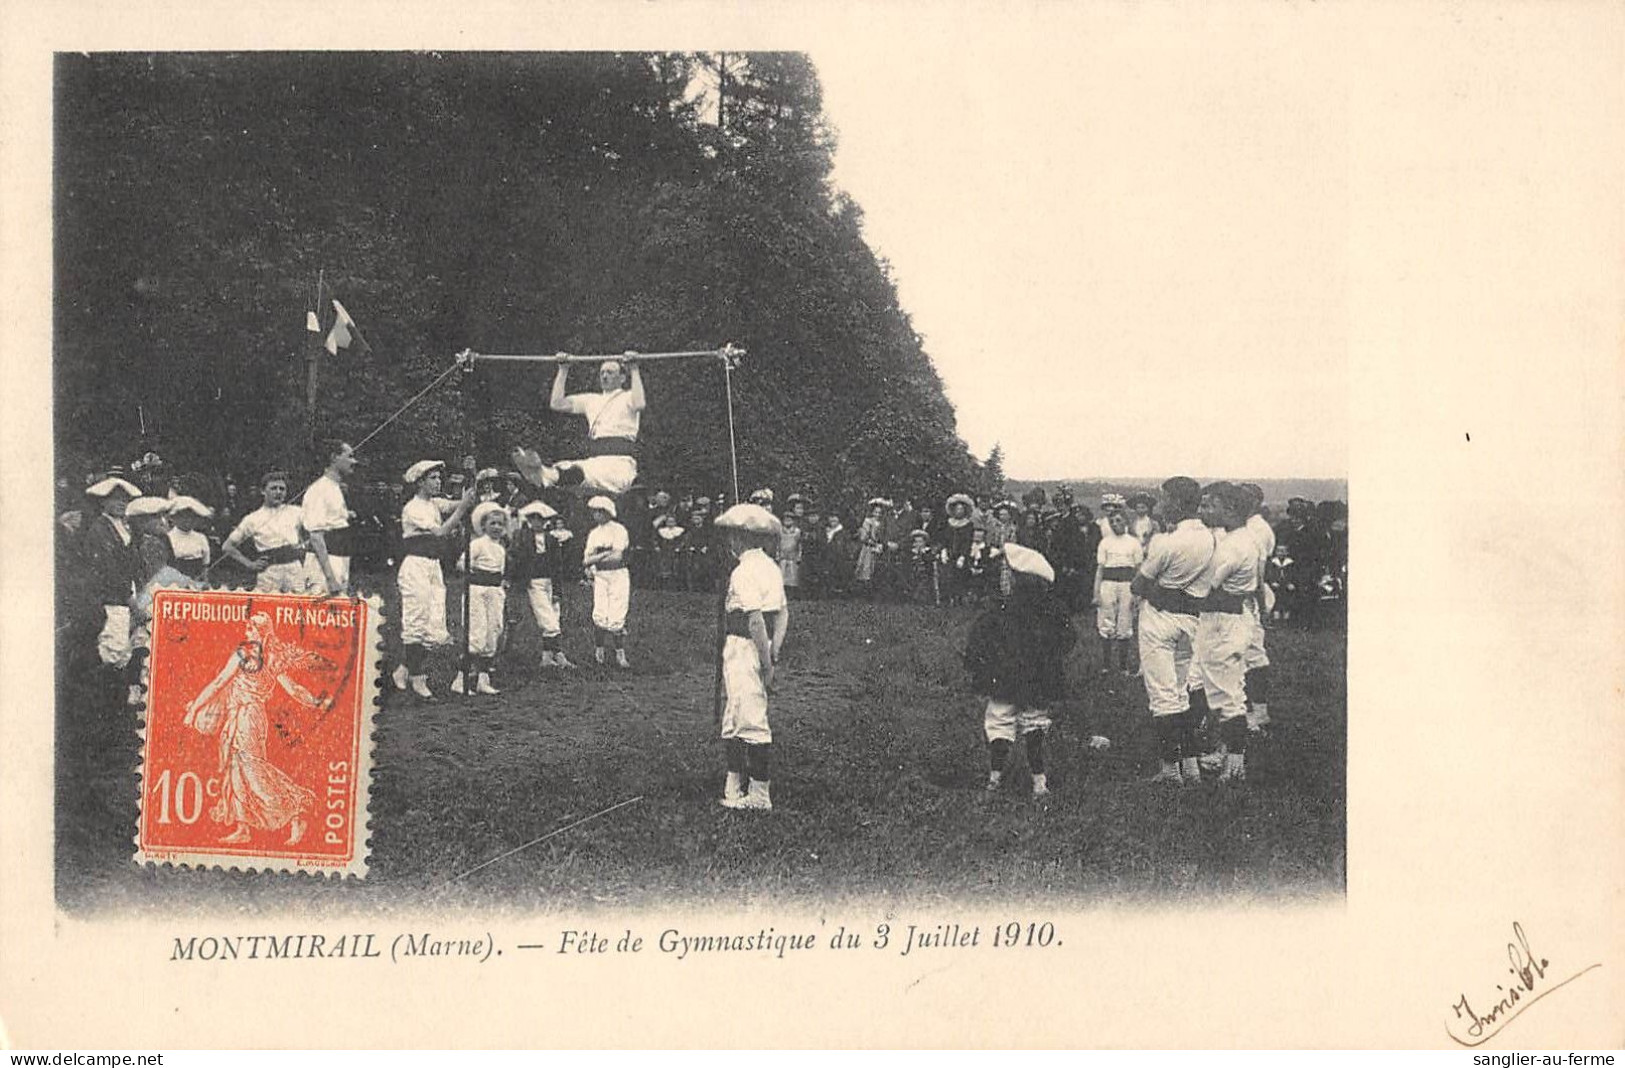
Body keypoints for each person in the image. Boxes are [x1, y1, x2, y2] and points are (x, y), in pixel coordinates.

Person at [184, 611, 330, 845]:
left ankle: (296, 809)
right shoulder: (272, 658)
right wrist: (315, 702)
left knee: (253, 772)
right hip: (245, 716)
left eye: (250, 629)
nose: (246, 632)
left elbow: (220, 681)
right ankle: (243, 828)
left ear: (259, 632)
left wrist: (194, 710)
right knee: (235, 771)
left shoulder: (246, 652)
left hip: (246, 717)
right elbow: (293, 689)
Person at [963, 543, 1079, 797]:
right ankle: (1038, 780)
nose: (1004, 577)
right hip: (1039, 678)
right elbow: (1067, 639)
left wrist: (980, 665)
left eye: (1009, 572)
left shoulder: (1000, 609)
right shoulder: (1052, 609)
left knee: (1000, 719)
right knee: (1033, 720)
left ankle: (996, 777)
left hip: (1004, 678)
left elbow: (977, 643)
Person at [1130, 476, 1216, 785]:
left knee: (1164, 697)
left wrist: (1160, 586)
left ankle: (1170, 771)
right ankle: (1190, 766)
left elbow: (1138, 584)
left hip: (1160, 619)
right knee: (1181, 693)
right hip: (1192, 621)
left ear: (1178, 504)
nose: (1161, 504)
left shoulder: (1168, 542)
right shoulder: (1211, 538)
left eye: (1164, 499)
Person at [714, 502, 790, 811]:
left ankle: (760, 793)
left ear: (739, 539)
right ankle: (734, 782)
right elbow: (783, 613)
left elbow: (756, 619)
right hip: (758, 645)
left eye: (732, 536)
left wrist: (768, 664)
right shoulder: (770, 567)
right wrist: (774, 649)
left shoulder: (744, 571)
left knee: (751, 717)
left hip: (745, 646)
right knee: (734, 713)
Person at [1186, 483, 1260, 782]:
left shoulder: (1234, 546)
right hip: (1220, 621)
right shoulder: (1234, 538)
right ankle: (1216, 750)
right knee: (1201, 684)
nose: (1201, 511)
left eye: (1208, 506)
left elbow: (1204, 589)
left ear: (1229, 510)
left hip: (1224, 623)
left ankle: (1234, 767)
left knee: (1228, 695)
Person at [392, 460, 476, 700]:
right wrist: (461, 511)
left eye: (439, 478)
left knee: (434, 622)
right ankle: (418, 679)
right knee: (416, 619)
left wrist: (470, 475)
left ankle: (404, 669)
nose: (439, 482)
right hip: (416, 566)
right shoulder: (413, 508)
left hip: (433, 568)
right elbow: (440, 532)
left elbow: (459, 503)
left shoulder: (434, 504)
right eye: (433, 479)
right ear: (420, 482)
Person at [512, 353, 646, 496]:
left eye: (610, 372)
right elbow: (557, 404)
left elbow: (640, 404)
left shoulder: (629, 397)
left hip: (619, 465)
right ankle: (542, 475)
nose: (605, 376)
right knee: (567, 468)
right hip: (596, 461)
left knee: (580, 473)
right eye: (602, 372)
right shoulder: (592, 400)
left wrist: (634, 369)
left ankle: (544, 476)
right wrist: (563, 370)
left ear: (622, 378)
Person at [81, 475, 143, 685]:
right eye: (115, 499)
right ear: (103, 501)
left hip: (126, 591)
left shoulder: (123, 527)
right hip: (110, 595)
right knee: (113, 649)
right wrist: (131, 601)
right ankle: (98, 695)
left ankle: (116, 697)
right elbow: (111, 570)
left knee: (126, 649)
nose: (120, 503)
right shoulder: (100, 530)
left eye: (124, 500)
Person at [509, 499, 576, 669]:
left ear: (546, 521)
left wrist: (558, 590)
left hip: (550, 581)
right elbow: (516, 560)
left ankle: (546, 657)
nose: (537, 522)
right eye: (533, 519)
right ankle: (559, 654)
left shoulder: (552, 540)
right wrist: (512, 579)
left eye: (540, 519)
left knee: (555, 614)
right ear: (529, 521)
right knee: (548, 620)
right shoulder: (523, 538)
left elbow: (557, 566)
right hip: (534, 581)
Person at [452, 502, 509, 696]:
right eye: (493, 523)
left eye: (500, 524)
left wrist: (500, 583)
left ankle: (483, 680)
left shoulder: (500, 549)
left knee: (493, 633)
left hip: (494, 591)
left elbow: (500, 571)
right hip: (477, 591)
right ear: (483, 526)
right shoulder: (477, 544)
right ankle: (460, 680)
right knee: (476, 634)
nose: (497, 527)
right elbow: (461, 564)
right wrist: (474, 574)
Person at [221, 471, 306, 594]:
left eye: (282, 489)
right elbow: (227, 547)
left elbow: (314, 530)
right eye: (273, 488)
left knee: (297, 607)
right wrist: (250, 564)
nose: (278, 492)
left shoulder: (296, 512)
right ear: (263, 491)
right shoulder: (252, 519)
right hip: (269, 572)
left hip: (294, 569)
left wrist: (303, 546)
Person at [302, 441, 358, 596]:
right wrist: (331, 578)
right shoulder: (319, 490)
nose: (354, 462)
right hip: (323, 566)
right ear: (334, 458)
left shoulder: (335, 488)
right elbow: (316, 536)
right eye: (350, 456)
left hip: (340, 559)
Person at [582, 495, 632, 668]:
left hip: (618, 574)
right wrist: (603, 555)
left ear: (608, 512)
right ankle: (599, 651)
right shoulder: (594, 533)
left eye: (600, 511)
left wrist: (596, 557)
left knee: (617, 613)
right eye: (595, 511)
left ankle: (620, 654)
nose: (597, 515)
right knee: (600, 613)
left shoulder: (619, 530)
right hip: (601, 576)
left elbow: (617, 557)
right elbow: (586, 560)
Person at [1094, 511, 1143, 675]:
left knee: (1125, 621)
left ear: (1126, 522)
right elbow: (1100, 569)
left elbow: (1138, 570)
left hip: (1127, 585)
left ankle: (1123, 666)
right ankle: (1106, 665)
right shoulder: (1105, 542)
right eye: (1112, 521)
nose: (1115, 524)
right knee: (1106, 620)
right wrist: (1096, 593)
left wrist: (1137, 593)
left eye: (1118, 520)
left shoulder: (1133, 543)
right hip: (1108, 584)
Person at [939, 493, 977, 606]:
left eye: (961, 509)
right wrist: (944, 551)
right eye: (957, 509)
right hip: (950, 553)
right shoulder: (948, 523)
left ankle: (960, 599)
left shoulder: (968, 525)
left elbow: (967, 542)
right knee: (948, 575)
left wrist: (963, 556)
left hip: (962, 555)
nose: (959, 511)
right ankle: (949, 599)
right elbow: (944, 539)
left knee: (960, 576)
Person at [166, 496, 214, 581]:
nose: (188, 520)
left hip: (197, 580)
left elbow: (205, 565)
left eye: (192, 517)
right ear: (174, 518)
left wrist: (204, 580)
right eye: (183, 517)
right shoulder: (168, 538)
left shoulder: (201, 538)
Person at [778, 512, 803, 596]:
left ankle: (793, 593)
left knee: (793, 576)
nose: (788, 521)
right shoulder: (780, 531)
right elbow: (777, 544)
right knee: (782, 575)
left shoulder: (797, 531)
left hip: (793, 557)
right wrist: (777, 555)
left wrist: (799, 556)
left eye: (790, 519)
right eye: (786, 519)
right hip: (783, 556)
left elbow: (800, 545)